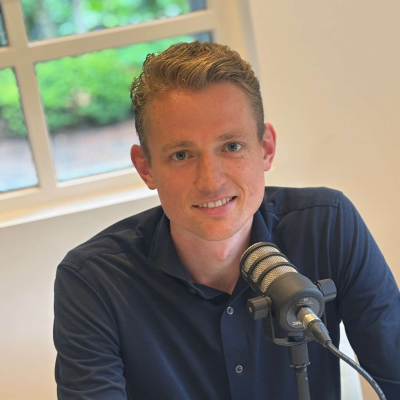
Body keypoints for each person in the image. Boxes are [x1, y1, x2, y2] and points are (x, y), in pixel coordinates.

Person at [53, 41, 400, 400]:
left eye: (231, 146)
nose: (210, 181)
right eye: (181, 155)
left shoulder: (328, 226)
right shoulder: (94, 281)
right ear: (146, 167)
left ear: (265, 148)